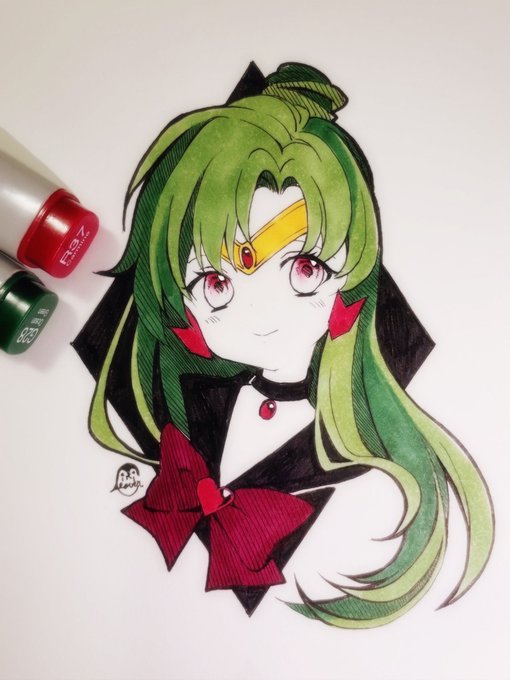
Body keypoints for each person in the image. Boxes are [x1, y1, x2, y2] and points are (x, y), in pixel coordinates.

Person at [85, 62, 493, 627]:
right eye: (217, 283)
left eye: (304, 269)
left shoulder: (376, 492)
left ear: (351, 284)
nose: (261, 317)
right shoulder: (175, 398)